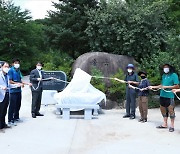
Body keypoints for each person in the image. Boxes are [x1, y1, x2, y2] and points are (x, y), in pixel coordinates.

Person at [149, 64, 179, 132]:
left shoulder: (174, 75)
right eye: (164, 67)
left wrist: (167, 87)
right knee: (162, 109)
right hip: (162, 95)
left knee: (171, 110)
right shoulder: (164, 75)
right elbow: (162, 85)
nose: (165, 69)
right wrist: (153, 87)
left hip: (169, 95)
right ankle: (165, 124)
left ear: (170, 68)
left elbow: (177, 86)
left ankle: (172, 125)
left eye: (166, 67)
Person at [8, 58, 31, 126]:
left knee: (18, 104)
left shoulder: (18, 70)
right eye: (15, 63)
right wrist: (17, 84)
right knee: (12, 105)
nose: (17, 64)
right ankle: (10, 120)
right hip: (13, 91)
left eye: (18, 63)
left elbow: (21, 80)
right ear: (12, 64)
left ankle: (16, 117)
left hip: (18, 90)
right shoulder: (11, 70)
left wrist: (26, 84)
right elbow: (10, 81)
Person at [0, 62, 19, 132]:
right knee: (0, 111)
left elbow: (9, 86)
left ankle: (3, 124)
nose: (7, 68)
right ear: (1, 67)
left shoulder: (7, 76)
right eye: (5, 66)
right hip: (1, 95)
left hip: (7, 94)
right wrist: (1, 87)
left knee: (4, 110)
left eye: (8, 67)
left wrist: (17, 85)